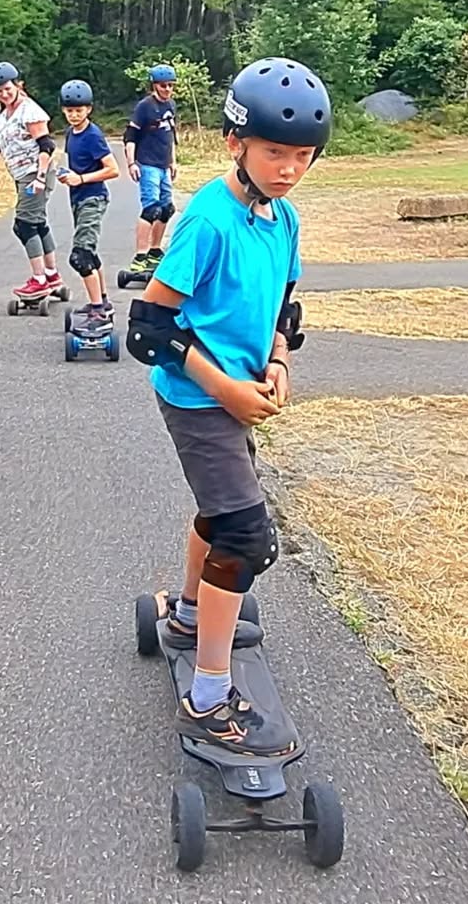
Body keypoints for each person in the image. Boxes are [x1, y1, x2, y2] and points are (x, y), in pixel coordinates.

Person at [127, 56, 328, 754]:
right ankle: (208, 697)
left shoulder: (285, 217)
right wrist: (228, 388)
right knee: (247, 538)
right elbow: (149, 329)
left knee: (221, 514)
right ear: (235, 143)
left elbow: (284, 306)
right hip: (196, 398)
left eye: (303, 156)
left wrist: (276, 359)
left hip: (240, 393)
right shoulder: (206, 222)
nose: (289, 169)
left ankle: (188, 616)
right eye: (276, 153)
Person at [0, 62, 62, 299]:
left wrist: (39, 177)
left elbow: (46, 145)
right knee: (38, 223)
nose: (4, 94)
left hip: (36, 173)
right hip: (19, 174)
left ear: (18, 85)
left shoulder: (30, 111)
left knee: (24, 224)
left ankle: (39, 281)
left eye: (8, 89)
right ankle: (52, 275)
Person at [55, 80, 120, 323]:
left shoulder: (93, 135)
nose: (74, 115)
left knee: (80, 256)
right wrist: (67, 176)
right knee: (90, 253)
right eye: (70, 110)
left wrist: (80, 178)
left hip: (93, 198)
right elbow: (76, 168)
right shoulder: (71, 135)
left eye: (79, 110)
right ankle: (102, 301)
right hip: (79, 199)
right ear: (63, 110)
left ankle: (97, 310)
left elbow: (113, 170)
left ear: (89, 109)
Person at [124, 64, 178, 279]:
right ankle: (140, 256)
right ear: (154, 86)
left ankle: (155, 251)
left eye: (171, 86)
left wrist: (173, 162)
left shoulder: (171, 105)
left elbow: (170, 136)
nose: (168, 90)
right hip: (147, 164)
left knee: (167, 209)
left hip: (164, 165)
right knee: (151, 210)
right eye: (164, 86)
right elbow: (130, 136)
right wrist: (131, 163)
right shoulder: (145, 107)